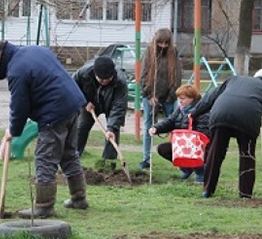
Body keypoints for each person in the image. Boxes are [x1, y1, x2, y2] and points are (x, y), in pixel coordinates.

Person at [0, 40, 89, 218]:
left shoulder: (16, 70)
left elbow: (19, 106)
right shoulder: (35, 50)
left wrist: (13, 130)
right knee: (68, 153)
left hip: (54, 111)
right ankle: (79, 198)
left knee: (45, 158)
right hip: (74, 104)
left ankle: (44, 206)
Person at [190, 72, 262, 198]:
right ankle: (245, 193)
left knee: (215, 152)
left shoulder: (233, 79)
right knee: (247, 156)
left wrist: (194, 113)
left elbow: (210, 97)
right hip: (248, 118)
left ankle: (207, 190)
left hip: (221, 113)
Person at [73, 56, 128, 169]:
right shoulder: (83, 73)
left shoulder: (120, 82)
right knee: (81, 127)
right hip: (89, 104)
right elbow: (72, 88)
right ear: (95, 73)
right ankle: (73, 159)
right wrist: (84, 102)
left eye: (107, 79)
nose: (104, 82)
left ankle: (108, 163)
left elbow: (118, 107)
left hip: (111, 105)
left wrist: (111, 128)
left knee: (112, 133)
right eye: (101, 79)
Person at [138, 28, 182, 170]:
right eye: (160, 43)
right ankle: (146, 159)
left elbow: (177, 76)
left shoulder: (173, 53)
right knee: (148, 126)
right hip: (151, 95)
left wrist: (171, 96)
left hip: (169, 96)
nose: (163, 46)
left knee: (176, 126)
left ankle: (178, 157)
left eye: (166, 43)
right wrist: (149, 95)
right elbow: (143, 75)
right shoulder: (149, 52)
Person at [148, 84, 210, 183]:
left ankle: (201, 172)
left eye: (183, 98)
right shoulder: (180, 110)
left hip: (198, 145)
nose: (180, 101)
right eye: (178, 99)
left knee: (193, 151)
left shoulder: (202, 111)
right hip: (183, 143)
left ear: (192, 98)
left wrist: (191, 138)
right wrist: (156, 128)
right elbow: (170, 121)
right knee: (163, 149)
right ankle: (186, 168)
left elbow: (204, 131)